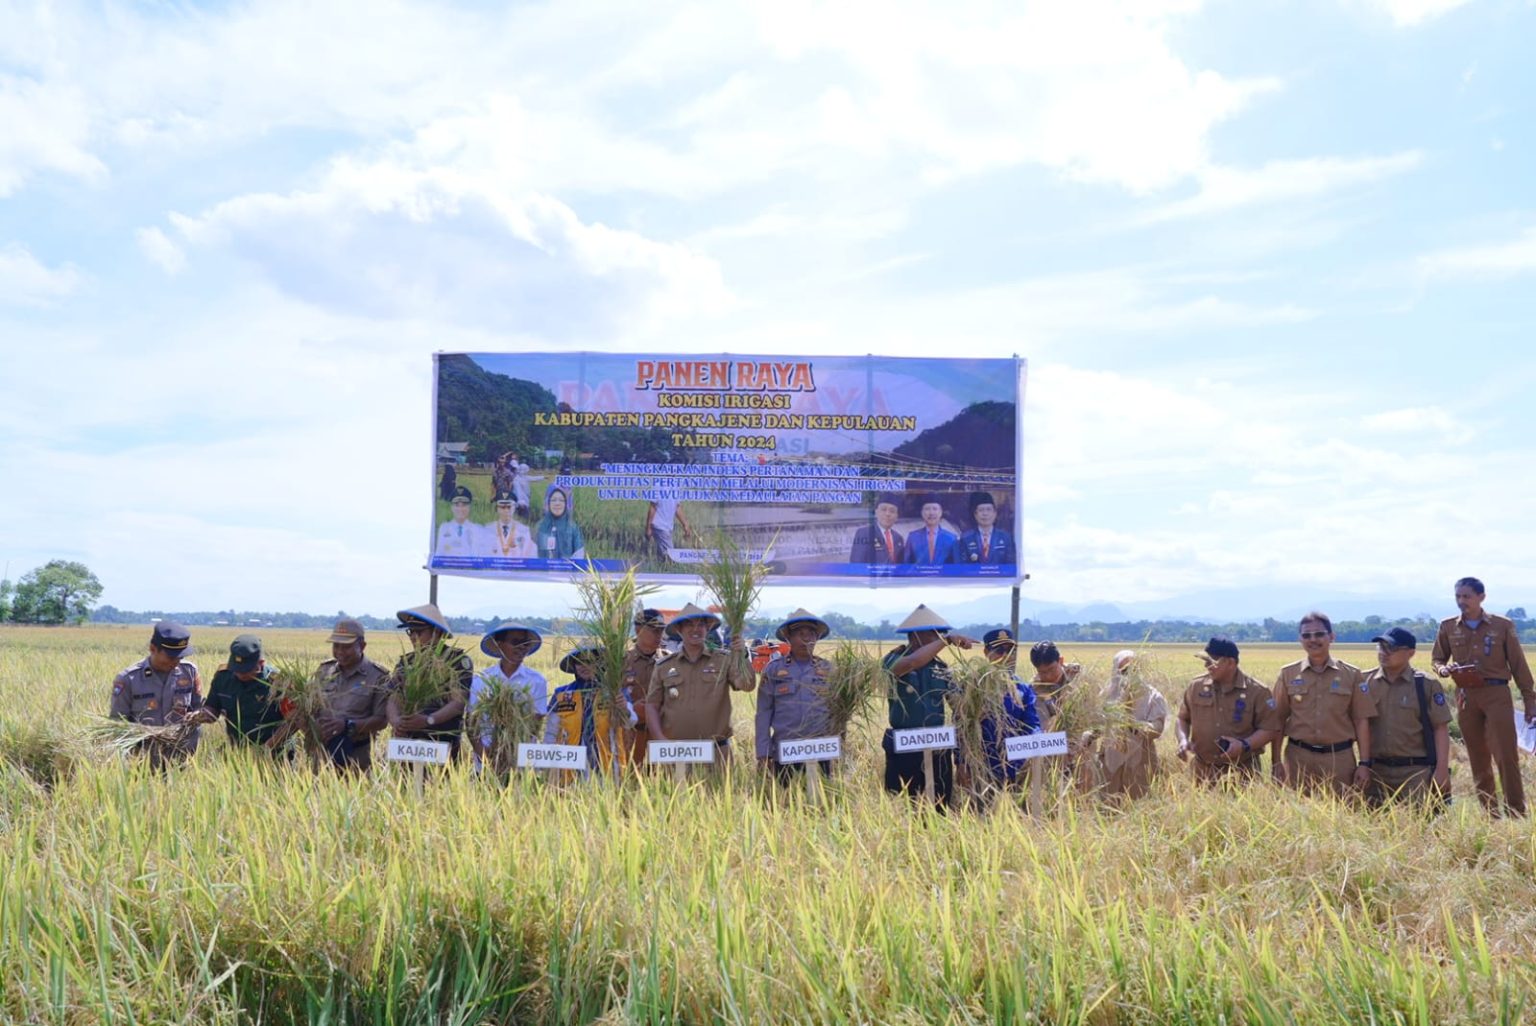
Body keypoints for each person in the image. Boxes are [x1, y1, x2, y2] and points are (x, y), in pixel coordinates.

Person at [1431, 577, 1536, 816]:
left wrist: (1530, 700)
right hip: (1466, 696)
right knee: (1477, 757)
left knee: (1506, 755)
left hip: (1497, 693)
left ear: (1481, 597)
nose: (1461, 601)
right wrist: (1443, 669)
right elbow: (1437, 659)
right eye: (1458, 596)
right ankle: (1490, 813)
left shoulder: (1502, 625)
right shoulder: (1448, 627)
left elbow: (1518, 664)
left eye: (1466, 596)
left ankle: (1516, 811)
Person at [1271, 611, 1376, 797]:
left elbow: (1361, 721)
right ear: (1300, 639)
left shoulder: (1351, 675)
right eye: (1306, 635)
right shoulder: (1288, 674)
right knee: (1296, 811)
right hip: (1297, 759)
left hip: (1339, 760)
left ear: (1332, 637)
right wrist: (1276, 761)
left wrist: (1364, 764)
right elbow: (1277, 720)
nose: (1313, 640)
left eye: (1319, 634)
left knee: (1342, 811)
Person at [881, 604, 978, 805]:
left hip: (937, 747)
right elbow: (913, 662)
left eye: (940, 635)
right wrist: (947, 640)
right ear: (917, 635)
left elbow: (959, 707)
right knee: (903, 805)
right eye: (935, 634)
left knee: (939, 805)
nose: (938, 639)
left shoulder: (941, 668)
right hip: (904, 747)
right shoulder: (893, 660)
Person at [643, 603, 753, 769]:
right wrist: (660, 738)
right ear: (679, 629)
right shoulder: (664, 666)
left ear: (708, 628)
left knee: (718, 787)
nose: (695, 629)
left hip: (716, 753)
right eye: (689, 625)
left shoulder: (723, 660)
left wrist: (742, 655)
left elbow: (747, 685)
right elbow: (652, 705)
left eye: (700, 624)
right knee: (676, 787)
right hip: (676, 753)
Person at [1363, 628, 1452, 807]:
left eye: (1391, 648)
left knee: (1419, 820)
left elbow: (1440, 728)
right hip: (1376, 771)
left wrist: (1442, 769)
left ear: (1410, 653)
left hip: (1415, 772)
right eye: (1381, 647)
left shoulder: (1426, 684)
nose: (1384, 653)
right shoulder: (1365, 682)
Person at [1175, 637, 1281, 784]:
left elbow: (1270, 729)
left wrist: (1244, 745)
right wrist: (1183, 740)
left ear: (1230, 663)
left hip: (1243, 773)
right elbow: (1182, 718)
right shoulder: (1196, 686)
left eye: (1211, 662)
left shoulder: (1257, 691)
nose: (1206, 666)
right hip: (1201, 772)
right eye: (1205, 661)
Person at [754, 608, 835, 785]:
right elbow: (763, 714)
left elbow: (838, 712)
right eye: (801, 634)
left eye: (811, 634)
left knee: (822, 797)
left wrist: (839, 744)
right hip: (785, 750)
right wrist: (763, 753)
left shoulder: (828, 670)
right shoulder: (774, 669)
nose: (807, 639)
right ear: (788, 637)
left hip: (821, 749)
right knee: (785, 798)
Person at [385, 603, 476, 762]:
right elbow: (393, 698)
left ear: (437, 632)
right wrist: (396, 722)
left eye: (419, 632)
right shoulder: (406, 662)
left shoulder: (456, 661)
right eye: (410, 631)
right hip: (408, 741)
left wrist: (428, 720)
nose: (413, 637)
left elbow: (458, 703)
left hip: (441, 741)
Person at [109, 621, 204, 762]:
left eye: (180, 657)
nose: (176, 662)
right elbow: (117, 722)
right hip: (143, 760)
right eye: (171, 657)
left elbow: (199, 707)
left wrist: (197, 715)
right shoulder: (128, 679)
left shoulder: (189, 672)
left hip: (182, 757)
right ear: (153, 649)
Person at [966, 628, 1041, 795]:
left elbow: (1032, 725)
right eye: (1000, 650)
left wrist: (1035, 745)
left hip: (1016, 768)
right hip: (981, 768)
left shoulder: (1022, 689)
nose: (1006, 655)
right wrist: (961, 764)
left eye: (1010, 650)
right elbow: (962, 727)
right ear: (986, 652)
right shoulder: (973, 687)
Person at [544, 646, 636, 779]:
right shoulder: (562, 693)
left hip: (607, 761)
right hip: (569, 761)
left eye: (590, 661)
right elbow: (551, 732)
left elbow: (630, 722)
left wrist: (624, 707)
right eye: (579, 662)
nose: (584, 666)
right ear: (574, 666)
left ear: (599, 663)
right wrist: (547, 763)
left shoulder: (614, 692)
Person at [468, 623, 549, 772]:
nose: (521, 647)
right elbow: (471, 722)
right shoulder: (481, 680)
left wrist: (512, 751)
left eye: (526, 643)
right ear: (499, 645)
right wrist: (484, 754)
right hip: (485, 759)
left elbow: (535, 722)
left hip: (520, 760)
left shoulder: (537, 681)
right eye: (515, 642)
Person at [314, 618, 390, 772]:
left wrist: (348, 725)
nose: (340, 652)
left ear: (362, 646)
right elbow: (312, 707)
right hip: (321, 755)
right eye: (336, 646)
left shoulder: (377, 676)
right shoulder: (324, 671)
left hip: (357, 758)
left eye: (346, 647)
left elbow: (382, 720)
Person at [190, 634, 286, 751]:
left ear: (260, 663)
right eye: (236, 669)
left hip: (276, 751)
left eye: (245, 670)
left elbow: (293, 721)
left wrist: (266, 748)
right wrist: (201, 715)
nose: (240, 674)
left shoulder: (278, 682)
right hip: (237, 748)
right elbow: (213, 708)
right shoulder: (223, 677)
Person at [1094, 649, 1168, 800]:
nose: (1130, 675)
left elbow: (1158, 727)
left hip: (1141, 763)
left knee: (1140, 805)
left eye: (1134, 670)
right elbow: (1096, 724)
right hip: (1110, 762)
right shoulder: (1106, 695)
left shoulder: (1153, 696)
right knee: (1108, 804)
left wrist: (1138, 727)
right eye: (1125, 671)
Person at [622, 609, 667, 765]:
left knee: (662, 777)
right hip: (631, 734)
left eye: (661, 630)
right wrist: (630, 709)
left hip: (662, 734)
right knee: (630, 775)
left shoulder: (670, 661)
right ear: (638, 630)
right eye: (654, 630)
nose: (659, 634)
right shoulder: (621, 661)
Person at [953, 492, 1016, 566]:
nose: (985, 514)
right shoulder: (965, 539)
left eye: (989, 510)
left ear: (995, 513)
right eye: (981, 510)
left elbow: (1011, 564)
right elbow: (961, 567)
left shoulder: (1006, 538)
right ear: (975, 514)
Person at [1028, 641, 1081, 727]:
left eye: (1051, 670)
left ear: (1061, 661)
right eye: (1042, 672)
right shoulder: (1034, 690)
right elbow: (1044, 724)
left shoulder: (1079, 675)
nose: (1048, 676)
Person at [849, 493, 905, 564]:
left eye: (892, 511)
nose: (887, 514)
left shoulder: (898, 538)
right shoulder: (864, 533)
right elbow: (856, 564)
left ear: (897, 516)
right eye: (884, 509)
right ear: (876, 512)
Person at [533, 485, 586, 560]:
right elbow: (533, 554)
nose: (557, 503)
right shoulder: (540, 527)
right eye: (553, 500)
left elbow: (579, 555)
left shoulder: (573, 528)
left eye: (561, 500)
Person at [903, 495, 958, 565]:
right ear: (922, 513)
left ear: (941, 512)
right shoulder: (913, 537)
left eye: (935, 509)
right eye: (927, 509)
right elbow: (906, 565)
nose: (931, 513)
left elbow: (955, 565)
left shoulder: (951, 539)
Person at [481, 490, 536, 558]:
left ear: (514, 508)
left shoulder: (524, 530)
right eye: (502, 507)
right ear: (497, 509)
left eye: (509, 507)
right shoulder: (488, 529)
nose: (506, 510)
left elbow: (531, 554)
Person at [646, 492, 694, 563]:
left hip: (668, 528)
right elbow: (652, 508)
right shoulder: (658, 488)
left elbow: (677, 507)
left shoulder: (675, 489)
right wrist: (648, 528)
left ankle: (661, 567)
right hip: (659, 526)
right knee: (671, 557)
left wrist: (685, 524)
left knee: (663, 558)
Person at [435, 486, 483, 557]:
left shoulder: (477, 530)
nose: (460, 509)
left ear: (470, 507)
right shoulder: (444, 528)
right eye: (457, 505)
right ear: (451, 507)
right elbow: (439, 555)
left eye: (464, 505)